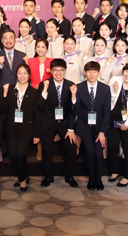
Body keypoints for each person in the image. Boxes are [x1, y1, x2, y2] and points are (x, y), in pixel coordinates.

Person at [38, 58, 79, 188]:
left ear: (65, 71)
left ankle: (69, 176)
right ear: (51, 71)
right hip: (48, 121)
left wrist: (71, 129)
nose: (58, 73)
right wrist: (44, 90)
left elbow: (74, 110)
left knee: (71, 148)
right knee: (47, 150)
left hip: (65, 122)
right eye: (55, 70)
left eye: (61, 70)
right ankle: (48, 176)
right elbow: (40, 106)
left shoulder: (71, 85)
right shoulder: (44, 84)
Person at [71, 61, 111, 191]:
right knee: (89, 152)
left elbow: (107, 112)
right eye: (89, 71)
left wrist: (102, 132)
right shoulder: (79, 87)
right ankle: (91, 179)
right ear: (85, 73)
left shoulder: (105, 89)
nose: (92, 74)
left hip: (99, 127)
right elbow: (76, 110)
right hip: (84, 126)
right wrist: (73, 97)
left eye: (94, 71)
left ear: (99, 73)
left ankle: (98, 179)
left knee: (98, 153)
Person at [4, 63, 40, 192]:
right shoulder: (10, 89)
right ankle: (23, 176)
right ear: (16, 75)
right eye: (19, 73)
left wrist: (37, 134)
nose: (22, 76)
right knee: (12, 154)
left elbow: (37, 115)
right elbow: (4, 108)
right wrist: (4, 94)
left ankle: (22, 180)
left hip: (27, 129)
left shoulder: (34, 92)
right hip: (11, 128)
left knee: (20, 153)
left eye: (25, 73)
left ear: (29, 75)